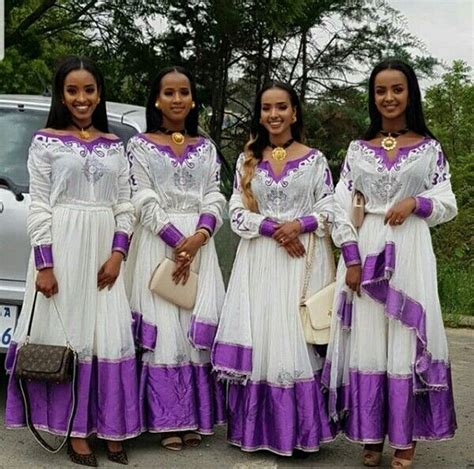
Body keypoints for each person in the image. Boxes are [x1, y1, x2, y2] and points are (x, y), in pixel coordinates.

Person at [4, 56, 139, 466]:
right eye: (72, 90)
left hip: (104, 251)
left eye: (89, 90)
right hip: (62, 250)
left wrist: (118, 254)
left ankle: (111, 427)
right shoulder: (45, 141)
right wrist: (44, 264)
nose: (82, 98)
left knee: (109, 335)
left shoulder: (116, 145)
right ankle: (76, 432)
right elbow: (40, 205)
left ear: (99, 93)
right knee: (70, 337)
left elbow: (125, 204)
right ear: (61, 95)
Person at [323, 58, 458, 468]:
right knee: (368, 337)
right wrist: (349, 256)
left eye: (397, 89)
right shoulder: (357, 150)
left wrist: (416, 202)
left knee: (403, 337)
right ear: (373, 97)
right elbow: (337, 205)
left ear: (410, 93)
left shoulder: (429, 148)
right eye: (381, 90)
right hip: (366, 245)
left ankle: (404, 437)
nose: (389, 98)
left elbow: (448, 202)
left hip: (410, 248)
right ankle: (370, 433)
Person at [211, 81, 336, 457]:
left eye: (282, 107)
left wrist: (299, 225)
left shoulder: (314, 160)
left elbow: (330, 208)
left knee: (295, 340)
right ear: (259, 114)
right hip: (261, 261)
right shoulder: (247, 160)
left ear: (294, 112)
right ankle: (257, 431)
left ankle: (298, 433)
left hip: (299, 262)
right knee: (265, 340)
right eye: (266, 108)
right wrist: (271, 228)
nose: (274, 115)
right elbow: (235, 213)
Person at [124, 66, 226, 451]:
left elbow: (216, 194)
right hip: (157, 242)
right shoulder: (139, 146)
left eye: (184, 92)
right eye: (169, 92)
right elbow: (141, 197)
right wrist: (175, 240)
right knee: (164, 329)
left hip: (199, 244)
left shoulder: (206, 147)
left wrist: (199, 236)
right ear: (156, 99)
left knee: (191, 328)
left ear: (193, 99)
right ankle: (167, 419)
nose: (177, 99)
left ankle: (195, 417)